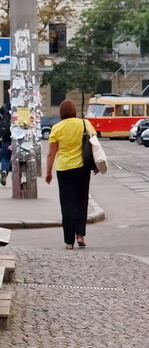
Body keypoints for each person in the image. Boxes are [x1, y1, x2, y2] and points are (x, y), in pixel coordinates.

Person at [45, 99, 97, 249]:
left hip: (64, 169)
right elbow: (94, 144)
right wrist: (97, 164)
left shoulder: (56, 128)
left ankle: (69, 241)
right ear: (74, 111)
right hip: (82, 168)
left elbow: (51, 153)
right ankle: (80, 235)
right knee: (81, 201)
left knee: (67, 204)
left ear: (61, 112)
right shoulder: (84, 124)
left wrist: (48, 172)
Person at [0, 101, 12, 186]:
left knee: (5, 158)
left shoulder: (4, 108)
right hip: (20, 141)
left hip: (6, 140)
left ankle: (4, 170)